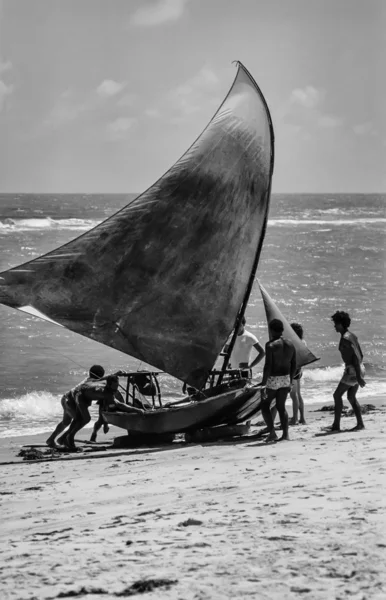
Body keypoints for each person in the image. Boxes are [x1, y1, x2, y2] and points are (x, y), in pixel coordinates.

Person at [64, 375, 145, 449]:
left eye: (117, 385)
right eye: (114, 386)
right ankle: (69, 437)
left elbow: (106, 406)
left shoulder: (107, 387)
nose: (116, 389)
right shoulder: (105, 392)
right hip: (79, 394)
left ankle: (66, 438)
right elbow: (120, 405)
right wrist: (136, 410)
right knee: (86, 419)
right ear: (109, 385)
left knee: (78, 419)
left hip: (83, 391)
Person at [46, 364, 106, 448]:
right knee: (81, 419)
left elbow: (102, 379)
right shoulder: (92, 383)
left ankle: (52, 439)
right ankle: (64, 438)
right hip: (70, 401)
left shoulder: (89, 379)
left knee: (66, 422)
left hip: (66, 398)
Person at [259, 319, 296, 442]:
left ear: (271, 330)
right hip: (286, 378)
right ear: (282, 330)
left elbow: (268, 366)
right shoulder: (290, 344)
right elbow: (294, 364)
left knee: (265, 406)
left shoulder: (270, 345)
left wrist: (263, 384)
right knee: (281, 407)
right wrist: (290, 380)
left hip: (273, 379)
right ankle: (286, 435)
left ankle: (272, 433)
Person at [329, 311, 366, 432]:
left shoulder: (345, 339)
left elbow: (355, 356)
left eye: (335, 323)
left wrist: (358, 376)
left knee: (337, 395)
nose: (334, 326)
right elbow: (361, 354)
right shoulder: (352, 336)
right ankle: (360, 423)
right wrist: (359, 372)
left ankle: (336, 425)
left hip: (353, 369)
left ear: (340, 324)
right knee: (351, 396)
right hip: (359, 367)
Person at [289, 322, 307, 425]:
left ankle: (295, 418)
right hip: (299, 370)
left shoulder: (294, 342)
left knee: (293, 395)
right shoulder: (303, 341)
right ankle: (302, 418)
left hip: (294, 370)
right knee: (298, 394)